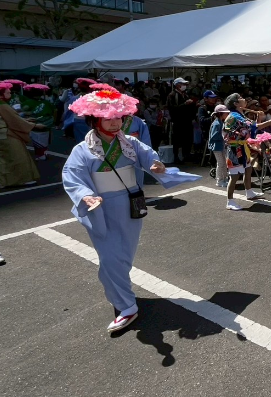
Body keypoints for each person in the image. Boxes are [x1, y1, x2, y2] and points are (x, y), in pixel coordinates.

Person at [61, 88, 200, 332]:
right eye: (108, 119)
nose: (115, 123)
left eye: (119, 118)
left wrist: (156, 166)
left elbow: (150, 157)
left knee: (124, 254)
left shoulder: (130, 143)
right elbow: (72, 176)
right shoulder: (82, 150)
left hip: (129, 204)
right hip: (100, 207)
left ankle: (118, 290)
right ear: (95, 120)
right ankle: (127, 306)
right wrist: (85, 196)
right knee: (110, 257)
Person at [222, 93, 271, 210]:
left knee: (248, 169)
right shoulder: (234, 116)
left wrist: (259, 118)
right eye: (240, 98)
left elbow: (252, 128)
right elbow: (253, 127)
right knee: (234, 176)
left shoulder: (239, 114)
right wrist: (269, 122)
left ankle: (249, 192)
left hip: (242, 146)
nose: (243, 99)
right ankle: (230, 201)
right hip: (234, 149)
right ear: (236, 103)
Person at [0, 81, 44, 188]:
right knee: (18, 157)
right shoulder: (2, 106)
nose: (10, 93)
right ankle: (22, 180)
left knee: (5, 159)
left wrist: (25, 120)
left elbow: (9, 119)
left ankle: (6, 181)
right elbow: (15, 121)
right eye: (7, 92)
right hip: (8, 134)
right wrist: (34, 125)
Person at [22, 83, 55, 160]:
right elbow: (53, 111)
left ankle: (40, 155)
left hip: (33, 124)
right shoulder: (47, 102)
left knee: (36, 141)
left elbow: (22, 111)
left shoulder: (28, 102)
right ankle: (42, 154)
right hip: (46, 124)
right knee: (43, 141)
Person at [166, 77, 196, 162]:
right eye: (182, 84)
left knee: (187, 139)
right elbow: (172, 108)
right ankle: (176, 157)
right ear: (177, 85)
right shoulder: (172, 95)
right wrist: (184, 104)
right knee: (177, 140)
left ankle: (186, 155)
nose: (184, 85)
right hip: (178, 121)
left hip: (187, 121)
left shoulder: (185, 95)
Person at [209, 104, 229, 187]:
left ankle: (224, 179)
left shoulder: (220, 122)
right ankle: (219, 180)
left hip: (221, 146)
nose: (227, 114)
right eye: (225, 113)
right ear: (220, 114)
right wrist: (224, 136)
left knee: (224, 163)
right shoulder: (217, 124)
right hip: (217, 147)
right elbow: (214, 136)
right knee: (221, 164)